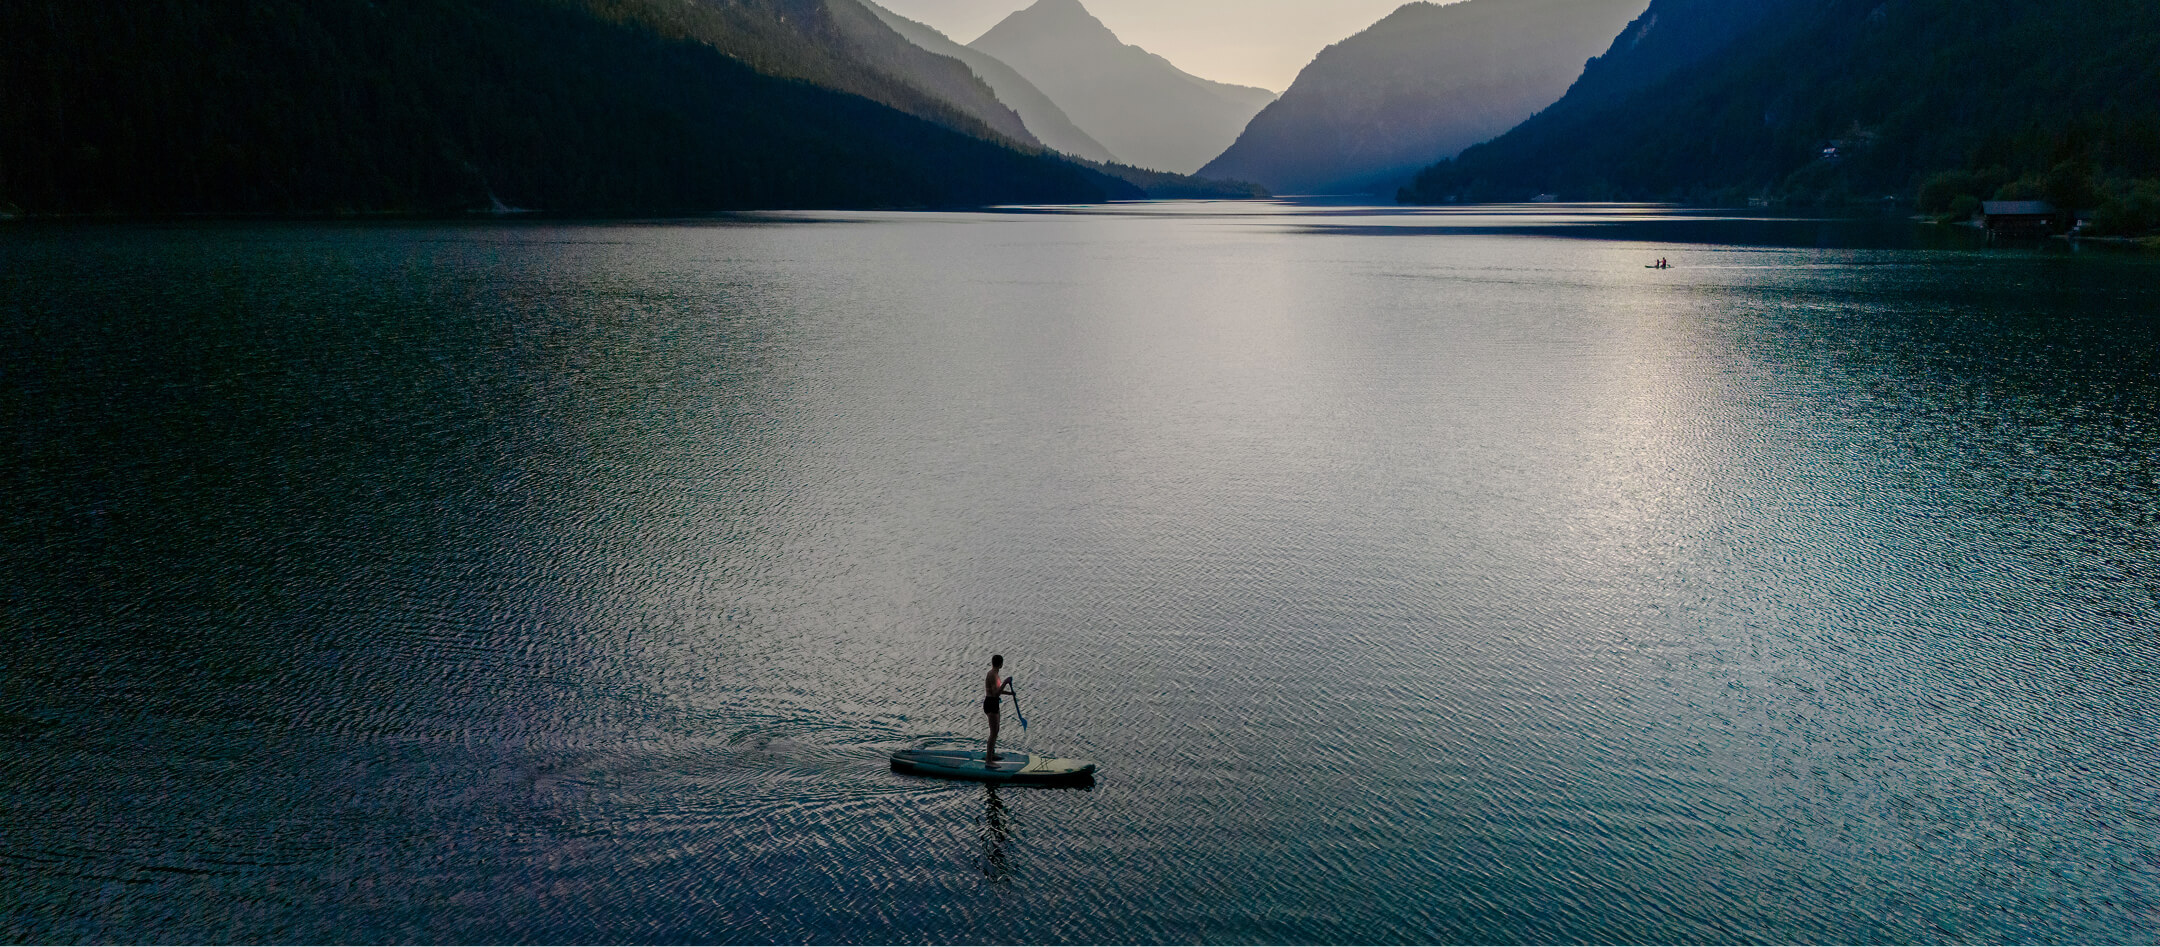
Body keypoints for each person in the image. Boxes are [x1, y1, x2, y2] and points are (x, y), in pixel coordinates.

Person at [983, 654, 1016, 763]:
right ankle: (988, 760)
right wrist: (1006, 682)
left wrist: (1010, 693)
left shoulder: (995, 674)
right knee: (993, 733)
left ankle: (992, 754)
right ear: (1001, 664)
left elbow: (997, 690)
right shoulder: (992, 674)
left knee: (996, 730)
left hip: (994, 703)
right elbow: (996, 693)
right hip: (990, 703)